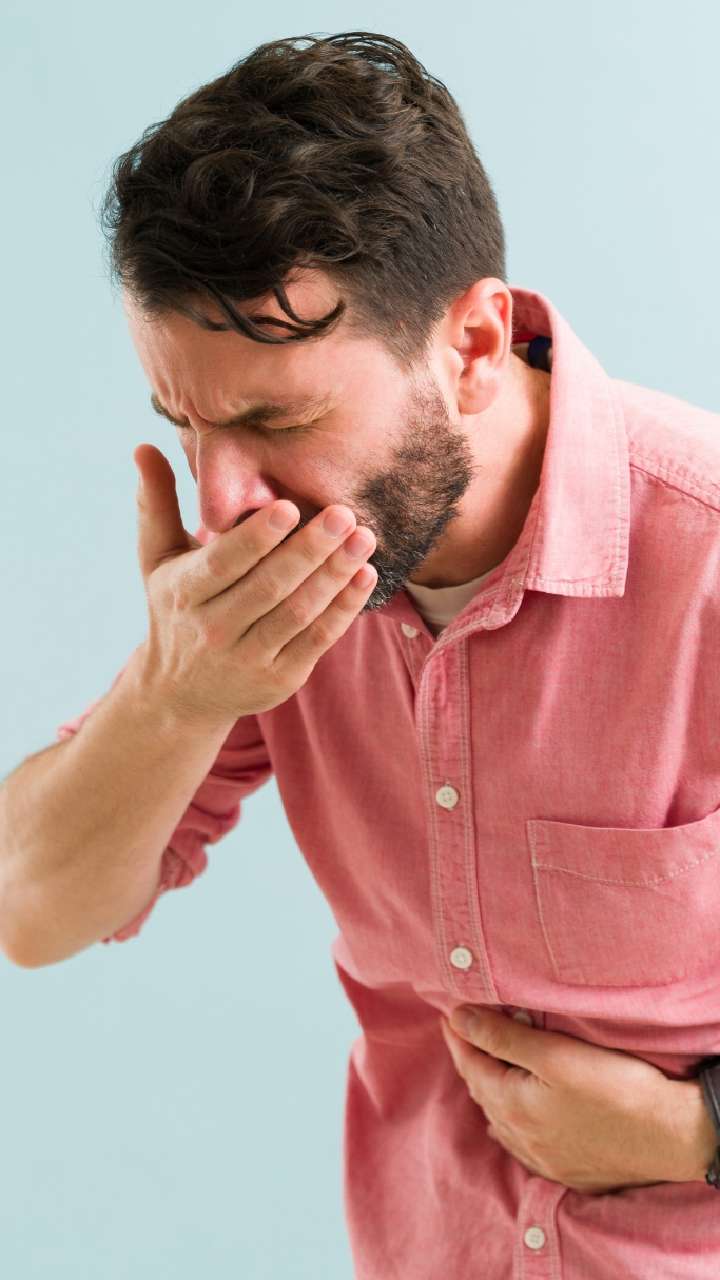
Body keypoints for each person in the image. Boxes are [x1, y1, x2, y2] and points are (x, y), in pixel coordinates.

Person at [3, 29, 720, 1279]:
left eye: (278, 418)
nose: (224, 499)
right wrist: (175, 694)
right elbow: (33, 906)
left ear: (474, 347)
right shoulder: (269, 589)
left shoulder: (705, 556)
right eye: (187, 424)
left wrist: (701, 1132)